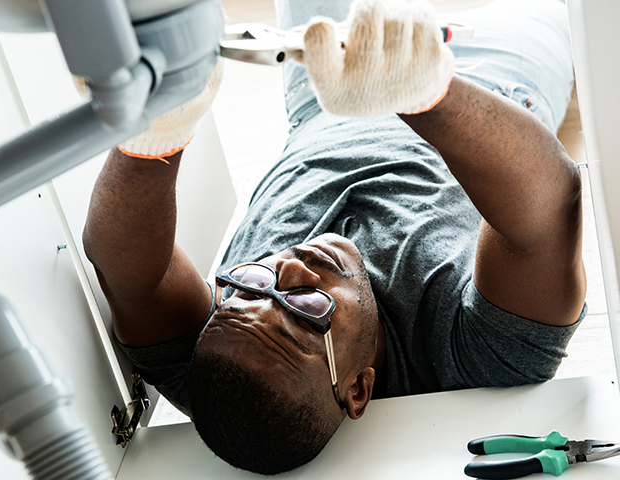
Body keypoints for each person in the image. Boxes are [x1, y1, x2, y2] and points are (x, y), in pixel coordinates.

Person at [82, 0, 586, 475]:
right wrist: (420, 92)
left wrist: (162, 124)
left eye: (252, 286)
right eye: (305, 307)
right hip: (488, 80)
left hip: (323, 84)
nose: (290, 267)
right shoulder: (476, 360)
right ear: (358, 389)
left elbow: (127, 269)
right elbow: (550, 207)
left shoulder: (224, 361)